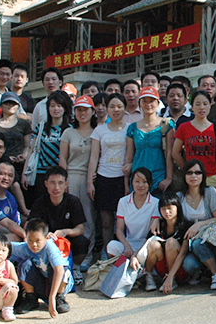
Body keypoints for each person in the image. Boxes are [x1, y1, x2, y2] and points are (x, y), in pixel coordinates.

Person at [29, 166, 90, 283]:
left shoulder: (73, 201)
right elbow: (31, 226)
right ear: (46, 184)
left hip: (66, 240)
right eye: (52, 183)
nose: (56, 187)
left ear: (66, 184)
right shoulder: (40, 203)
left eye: (60, 183)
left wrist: (66, 231)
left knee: (82, 242)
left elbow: (80, 229)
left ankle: (74, 268)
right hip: (45, 241)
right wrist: (44, 235)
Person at [106, 167, 160, 290]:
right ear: (132, 183)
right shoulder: (123, 202)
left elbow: (151, 234)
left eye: (144, 182)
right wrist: (127, 246)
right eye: (137, 181)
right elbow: (119, 230)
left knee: (151, 249)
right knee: (111, 246)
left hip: (146, 246)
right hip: (129, 244)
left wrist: (135, 255)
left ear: (150, 184)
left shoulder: (155, 203)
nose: (141, 185)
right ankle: (125, 274)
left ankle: (146, 274)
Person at [88, 93, 128, 254]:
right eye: (112, 106)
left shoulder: (130, 128)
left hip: (122, 179)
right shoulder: (99, 130)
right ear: (107, 109)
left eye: (119, 106)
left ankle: (122, 252)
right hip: (103, 178)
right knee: (106, 221)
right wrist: (89, 182)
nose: (115, 109)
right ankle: (107, 253)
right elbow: (93, 157)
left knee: (123, 220)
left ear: (124, 108)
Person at [177, 159, 216, 290]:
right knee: (189, 265)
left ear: (203, 175)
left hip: (212, 241)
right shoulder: (179, 197)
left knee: (198, 244)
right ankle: (202, 272)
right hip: (190, 243)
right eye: (189, 173)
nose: (193, 176)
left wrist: (199, 225)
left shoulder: (211, 192)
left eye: (198, 172)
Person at [59, 95, 96, 270]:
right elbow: (63, 158)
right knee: (70, 216)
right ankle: (67, 254)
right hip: (70, 176)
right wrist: (63, 181)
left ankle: (87, 256)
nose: (82, 113)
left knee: (88, 217)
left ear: (93, 111)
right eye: (79, 110)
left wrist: (91, 180)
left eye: (86, 110)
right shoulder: (68, 132)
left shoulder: (97, 131)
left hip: (90, 177)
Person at [172, 90, 216, 195]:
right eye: (197, 104)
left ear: (210, 105)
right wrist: (186, 169)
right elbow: (175, 153)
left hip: (212, 176)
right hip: (192, 178)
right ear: (192, 107)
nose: (201, 107)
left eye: (205, 104)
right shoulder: (183, 128)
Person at [12, 219, 72, 317]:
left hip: (55, 283)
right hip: (41, 283)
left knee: (63, 269)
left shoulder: (50, 247)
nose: (34, 245)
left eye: (38, 241)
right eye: (30, 240)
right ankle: (31, 298)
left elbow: (59, 270)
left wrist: (52, 298)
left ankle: (59, 298)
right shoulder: (25, 247)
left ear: (46, 238)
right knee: (24, 265)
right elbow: (5, 247)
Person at [24, 91, 72, 200]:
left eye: (59, 106)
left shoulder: (70, 129)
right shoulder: (41, 127)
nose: (56, 109)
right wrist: (24, 173)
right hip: (41, 173)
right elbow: (32, 150)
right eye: (52, 106)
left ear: (65, 108)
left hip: (59, 174)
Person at [124, 87, 171, 195]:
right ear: (139, 103)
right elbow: (129, 156)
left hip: (159, 178)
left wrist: (168, 178)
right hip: (137, 179)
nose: (148, 104)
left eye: (151, 101)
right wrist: (126, 184)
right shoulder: (132, 127)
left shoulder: (166, 125)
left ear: (158, 103)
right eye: (144, 101)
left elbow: (169, 153)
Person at [0, 92, 32, 176]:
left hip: (20, 166)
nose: (10, 106)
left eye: (13, 103)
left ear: (18, 106)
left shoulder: (24, 124)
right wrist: (5, 158)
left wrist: (23, 156)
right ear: (1, 105)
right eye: (7, 103)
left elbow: (27, 145)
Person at [0, 159, 24, 228]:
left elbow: (15, 225)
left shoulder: (11, 200)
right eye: (2, 174)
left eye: (10, 175)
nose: (6, 178)